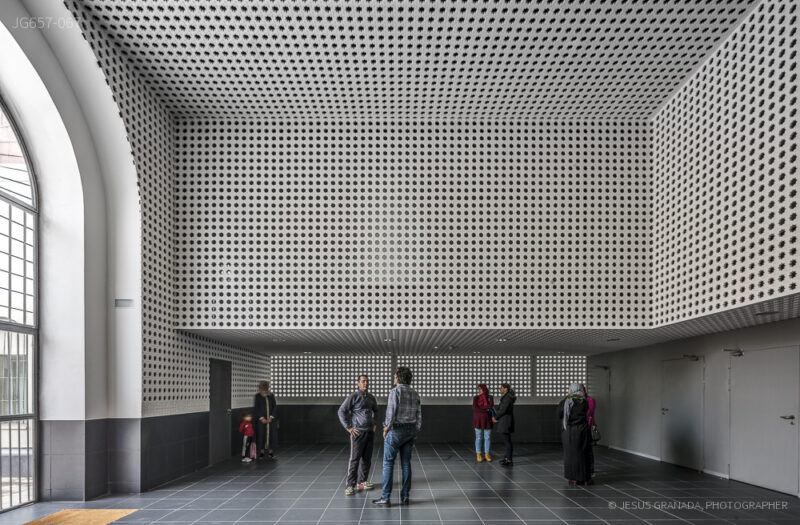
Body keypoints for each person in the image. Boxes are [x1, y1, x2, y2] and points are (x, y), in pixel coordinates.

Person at [372, 367, 421, 507]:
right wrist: (415, 433)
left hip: (396, 430)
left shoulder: (395, 391)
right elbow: (419, 416)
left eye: (394, 376)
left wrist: (386, 428)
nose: (393, 379)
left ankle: (385, 498)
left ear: (399, 378)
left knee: (388, 463)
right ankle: (405, 497)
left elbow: (391, 412)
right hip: (411, 430)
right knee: (406, 464)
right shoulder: (415, 393)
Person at [338, 374, 379, 496]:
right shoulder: (353, 396)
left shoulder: (371, 397)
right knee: (355, 460)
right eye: (363, 381)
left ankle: (362, 481)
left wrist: (374, 423)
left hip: (369, 432)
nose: (365, 383)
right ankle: (350, 485)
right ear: (358, 383)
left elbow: (376, 410)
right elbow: (341, 411)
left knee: (367, 459)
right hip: (358, 432)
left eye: (367, 381)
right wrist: (348, 427)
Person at [557, 382, 591, 485]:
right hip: (583, 430)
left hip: (569, 432)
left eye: (569, 389)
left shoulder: (565, 402)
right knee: (583, 454)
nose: (568, 390)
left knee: (570, 455)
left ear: (572, 389)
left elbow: (559, 414)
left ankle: (573, 478)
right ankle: (584, 478)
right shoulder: (584, 402)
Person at [492, 383, 517, 466]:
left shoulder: (507, 398)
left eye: (502, 388)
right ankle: (507, 458)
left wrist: (495, 417)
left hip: (505, 421)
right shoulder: (508, 397)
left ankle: (509, 460)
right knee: (507, 440)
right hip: (505, 420)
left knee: (507, 441)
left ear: (506, 389)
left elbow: (503, 410)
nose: (500, 389)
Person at [253, 380, 278, 459]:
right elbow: (257, 408)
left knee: (271, 435)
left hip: (271, 420)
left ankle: (271, 451)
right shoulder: (257, 396)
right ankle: (261, 452)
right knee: (261, 435)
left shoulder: (271, 395)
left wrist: (271, 417)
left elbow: (274, 407)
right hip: (261, 421)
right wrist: (261, 418)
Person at [472, 384, 494, 462]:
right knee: (478, 437)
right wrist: (485, 409)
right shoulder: (476, 398)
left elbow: (490, 406)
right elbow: (474, 408)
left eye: (481, 389)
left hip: (487, 420)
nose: (479, 391)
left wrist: (480, 408)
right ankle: (478, 454)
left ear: (484, 389)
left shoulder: (490, 397)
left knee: (487, 437)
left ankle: (487, 454)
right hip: (478, 420)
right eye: (479, 389)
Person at [582, 384, 596, 478]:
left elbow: (589, 413)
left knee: (588, 450)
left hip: (587, 427)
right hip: (580, 428)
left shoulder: (590, 400)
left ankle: (591, 470)